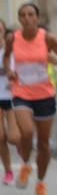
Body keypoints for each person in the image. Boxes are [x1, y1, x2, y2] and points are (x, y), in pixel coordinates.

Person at [3, 2, 57, 195]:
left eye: (31, 14)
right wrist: (9, 71)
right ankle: (26, 164)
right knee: (26, 132)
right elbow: (7, 56)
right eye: (23, 15)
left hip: (44, 94)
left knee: (43, 144)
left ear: (37, 17)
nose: (27, 18)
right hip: (21, 92)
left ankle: (40, 182)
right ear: (19, 19)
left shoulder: (48, 38)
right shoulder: (13, 38)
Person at [0, 16, 18, 186]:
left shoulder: (11, 52)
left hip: (11, 97)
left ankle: (24, 150)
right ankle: (8, 171)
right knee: (0, 137)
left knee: (13, 138)